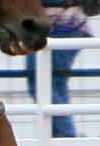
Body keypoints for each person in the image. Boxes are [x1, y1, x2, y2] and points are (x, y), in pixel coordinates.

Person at [27, 1, 92, 138]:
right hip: (64, 24)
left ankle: (64, 135)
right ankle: (61, 136)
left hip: (60, 24)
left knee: (42, 82)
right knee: (54, 83)